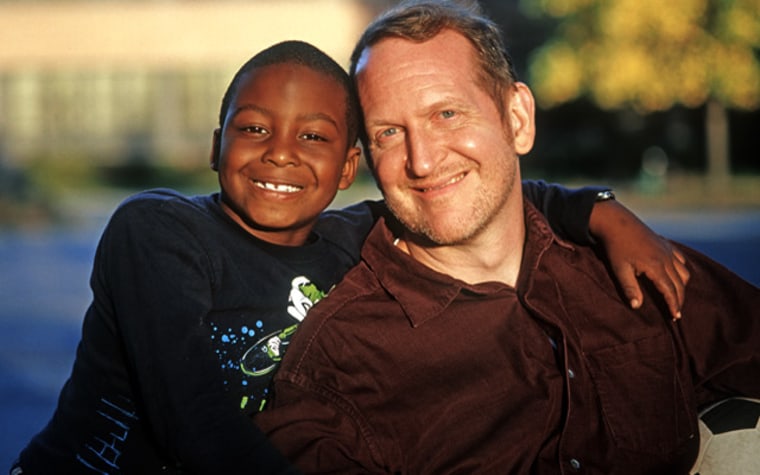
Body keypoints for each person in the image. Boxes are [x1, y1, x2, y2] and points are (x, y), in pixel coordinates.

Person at [12, 39, 683, 475]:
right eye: (253, 129)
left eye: (314, 135)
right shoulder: (156, 231)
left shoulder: (348, 240)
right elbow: (194, 415)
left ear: (347, 167)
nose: (280, 151)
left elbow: (480, 196)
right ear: (217, 144)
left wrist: (597, 209)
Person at [253, 2, 760, 474]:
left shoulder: (634, 272)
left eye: (446, 114)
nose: (422, 161)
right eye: (389, 133)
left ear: (517, 119)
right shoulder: (343, 364)